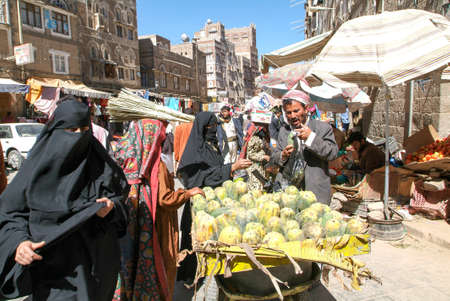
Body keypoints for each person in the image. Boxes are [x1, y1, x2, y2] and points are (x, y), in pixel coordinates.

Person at [0, 98, 129, 300]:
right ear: (57, 129)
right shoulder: (35, 170)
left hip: (98, 271)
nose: (78, 136)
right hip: (55, 274)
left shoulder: (99, 165)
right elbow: (9, 213)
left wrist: (111, 208)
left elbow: (121, 205)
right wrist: (19, 243)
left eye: (84, 129)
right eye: (71, 130)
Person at [112, 119, 203, 301]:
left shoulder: (134, 163)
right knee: (162, 264)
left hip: (134, 228)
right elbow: (165, 199)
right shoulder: (156, 166)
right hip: (158, 226)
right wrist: (187, 193)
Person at [177, 112, 251, 283]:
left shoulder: (211, 145)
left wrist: (231, 168)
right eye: (211, 127)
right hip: (199, 205)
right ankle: (193, 276)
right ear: (204, 128)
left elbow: (214, 168)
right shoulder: (195, 150)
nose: (215, 129)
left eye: (216, 126)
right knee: (196, 241)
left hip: (213, 202)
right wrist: (231, 168)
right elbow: (199, 178)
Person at [272, 90, 339, 205]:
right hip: (289, 194)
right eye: (288, 113)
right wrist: (283, 155)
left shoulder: (322, 128)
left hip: (315, 192)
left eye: (296, 111)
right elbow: (274, 157)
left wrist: (311, 138)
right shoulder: (284, 131)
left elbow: (332, 153)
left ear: (306, 109)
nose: (292, 116)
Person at [241, 117, 272, 191]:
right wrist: (263, 157)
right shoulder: (254, 138)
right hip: (254, 167)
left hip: (260, 166)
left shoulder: (261, 137)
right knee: (256, 187)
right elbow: (251, 154)